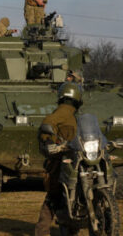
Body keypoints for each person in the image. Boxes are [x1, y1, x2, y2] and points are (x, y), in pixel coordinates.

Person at [35, 82, 83, 236]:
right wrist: (49, 142)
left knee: (59, 195)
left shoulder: (73, 113)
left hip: (72, 159)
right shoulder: (65, 111)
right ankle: (43, 231)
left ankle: (45, 231)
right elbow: (47, 124)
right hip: (63, 159)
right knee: (57, 194)